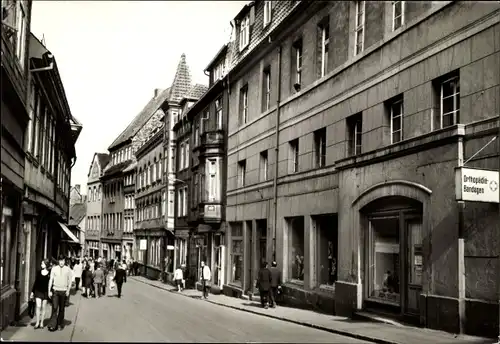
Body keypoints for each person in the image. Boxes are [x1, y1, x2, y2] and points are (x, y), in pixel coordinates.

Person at [47, 255, 72, 331]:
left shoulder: (68, 269)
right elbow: (51, 279)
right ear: (58, 261)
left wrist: (68, 290)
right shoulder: (54, 269)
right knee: (54, 307)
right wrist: (49, 290)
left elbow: (70, 281)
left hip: (63, 291)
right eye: (60, 261)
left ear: (65, 261)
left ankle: (60, 324)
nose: (61, 262)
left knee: (61, 308)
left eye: (63, 261)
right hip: (55, 291)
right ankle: (52, 324)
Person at [31, 259, 50, 329]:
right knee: (38, 306)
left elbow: (50, 283)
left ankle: (42, 323)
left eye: (42, 263)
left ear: (46, 264)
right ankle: (37, 322)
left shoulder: (49, 273)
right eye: (41, 263)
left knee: (43, 307)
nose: (41, 265)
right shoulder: (39, 272)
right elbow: (36, 282)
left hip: (45, 292)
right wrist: (32, 292)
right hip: (38, 291)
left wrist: (50, 292)